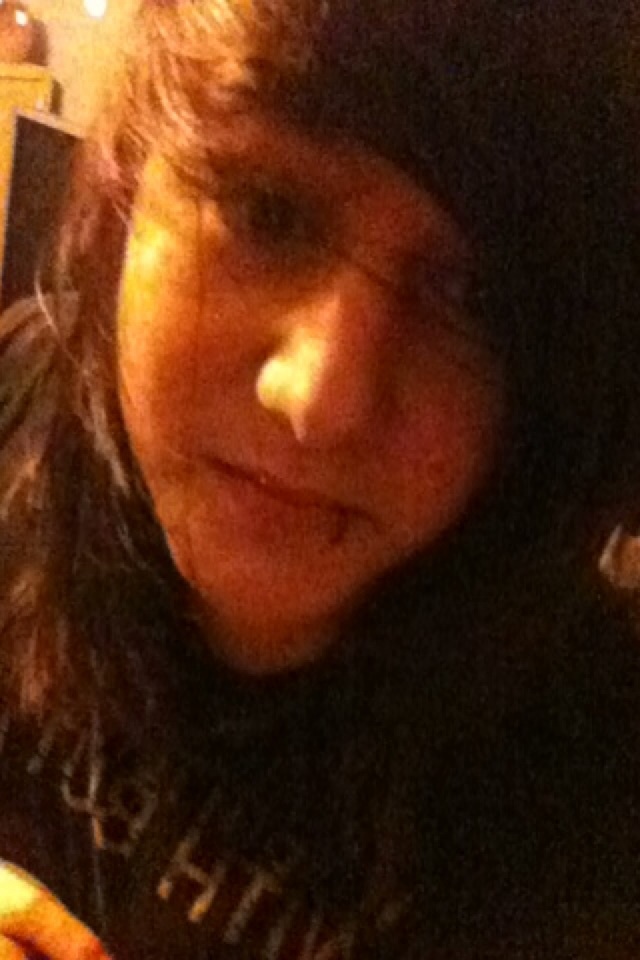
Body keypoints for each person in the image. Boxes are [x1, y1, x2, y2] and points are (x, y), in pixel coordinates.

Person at [1, 0, 640, 956]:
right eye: (267, 213)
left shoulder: (594, 821)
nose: (317, 400)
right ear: (130, 179)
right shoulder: (24, 395)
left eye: (469, 296)